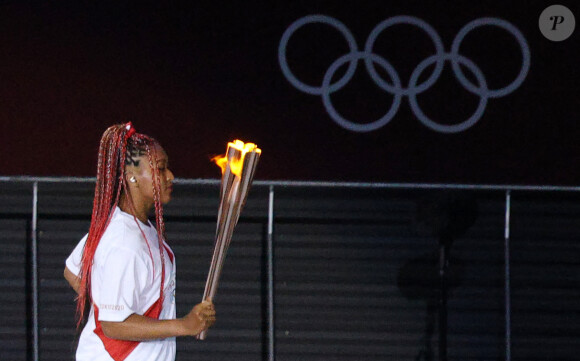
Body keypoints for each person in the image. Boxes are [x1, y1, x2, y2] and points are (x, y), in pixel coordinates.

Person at [64, 123, 215, 361]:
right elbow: (113, 325)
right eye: (161, 169)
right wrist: (185, 325)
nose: (170, 176)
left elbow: (72, 270)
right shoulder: (125, 243)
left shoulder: (121, 225)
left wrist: (110, 298)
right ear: (131, 177)